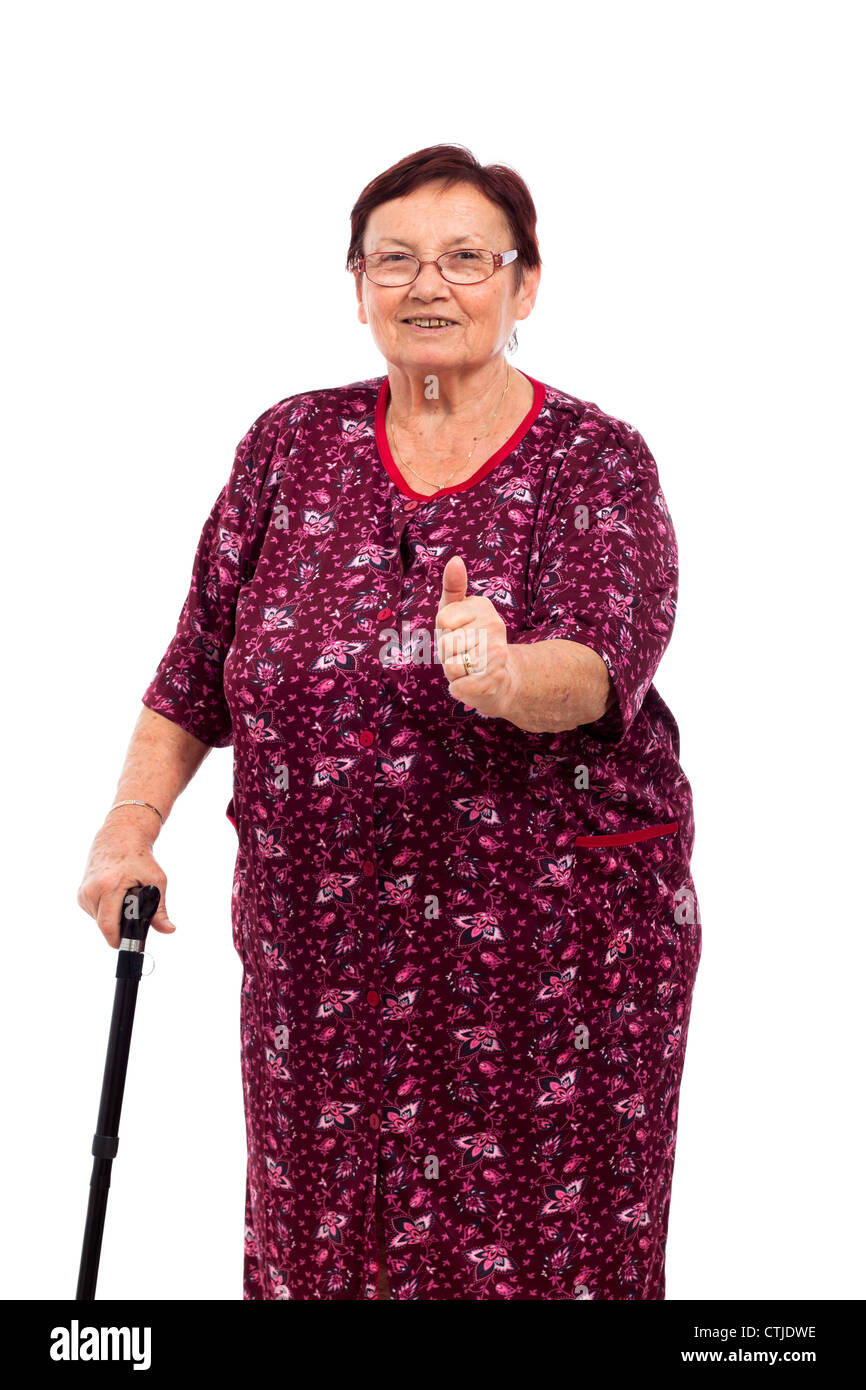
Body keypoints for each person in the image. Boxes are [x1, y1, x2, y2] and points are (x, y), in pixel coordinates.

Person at [78, 143, 701, 1301]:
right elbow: (192, 676)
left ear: (525, 287)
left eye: (467, 259)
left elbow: (599, 667)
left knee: (540, 1262)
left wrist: (508, 675)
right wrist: (127, 827)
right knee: (321, 1250)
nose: (428, 286)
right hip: (321, 962)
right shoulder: (288, 447)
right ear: (355, 283)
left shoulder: (593, 462)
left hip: (547, 964)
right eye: (395, 259)